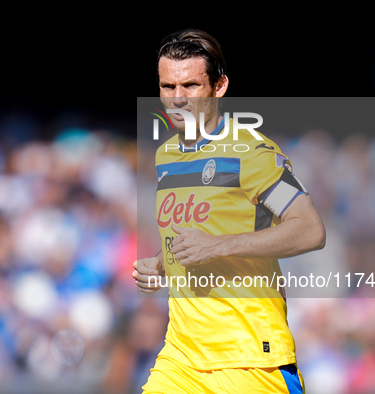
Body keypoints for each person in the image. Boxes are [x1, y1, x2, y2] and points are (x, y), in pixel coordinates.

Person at [133, 28, 326, 393]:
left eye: (190, 86)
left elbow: (311, 229)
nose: (177, 99)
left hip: (250, 357)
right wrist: (160, 262)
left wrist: (218, 246)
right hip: (181, 357)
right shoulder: (166, 156)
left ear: (219, 87)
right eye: (167, 87)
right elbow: (194, 232)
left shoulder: (251, 152)